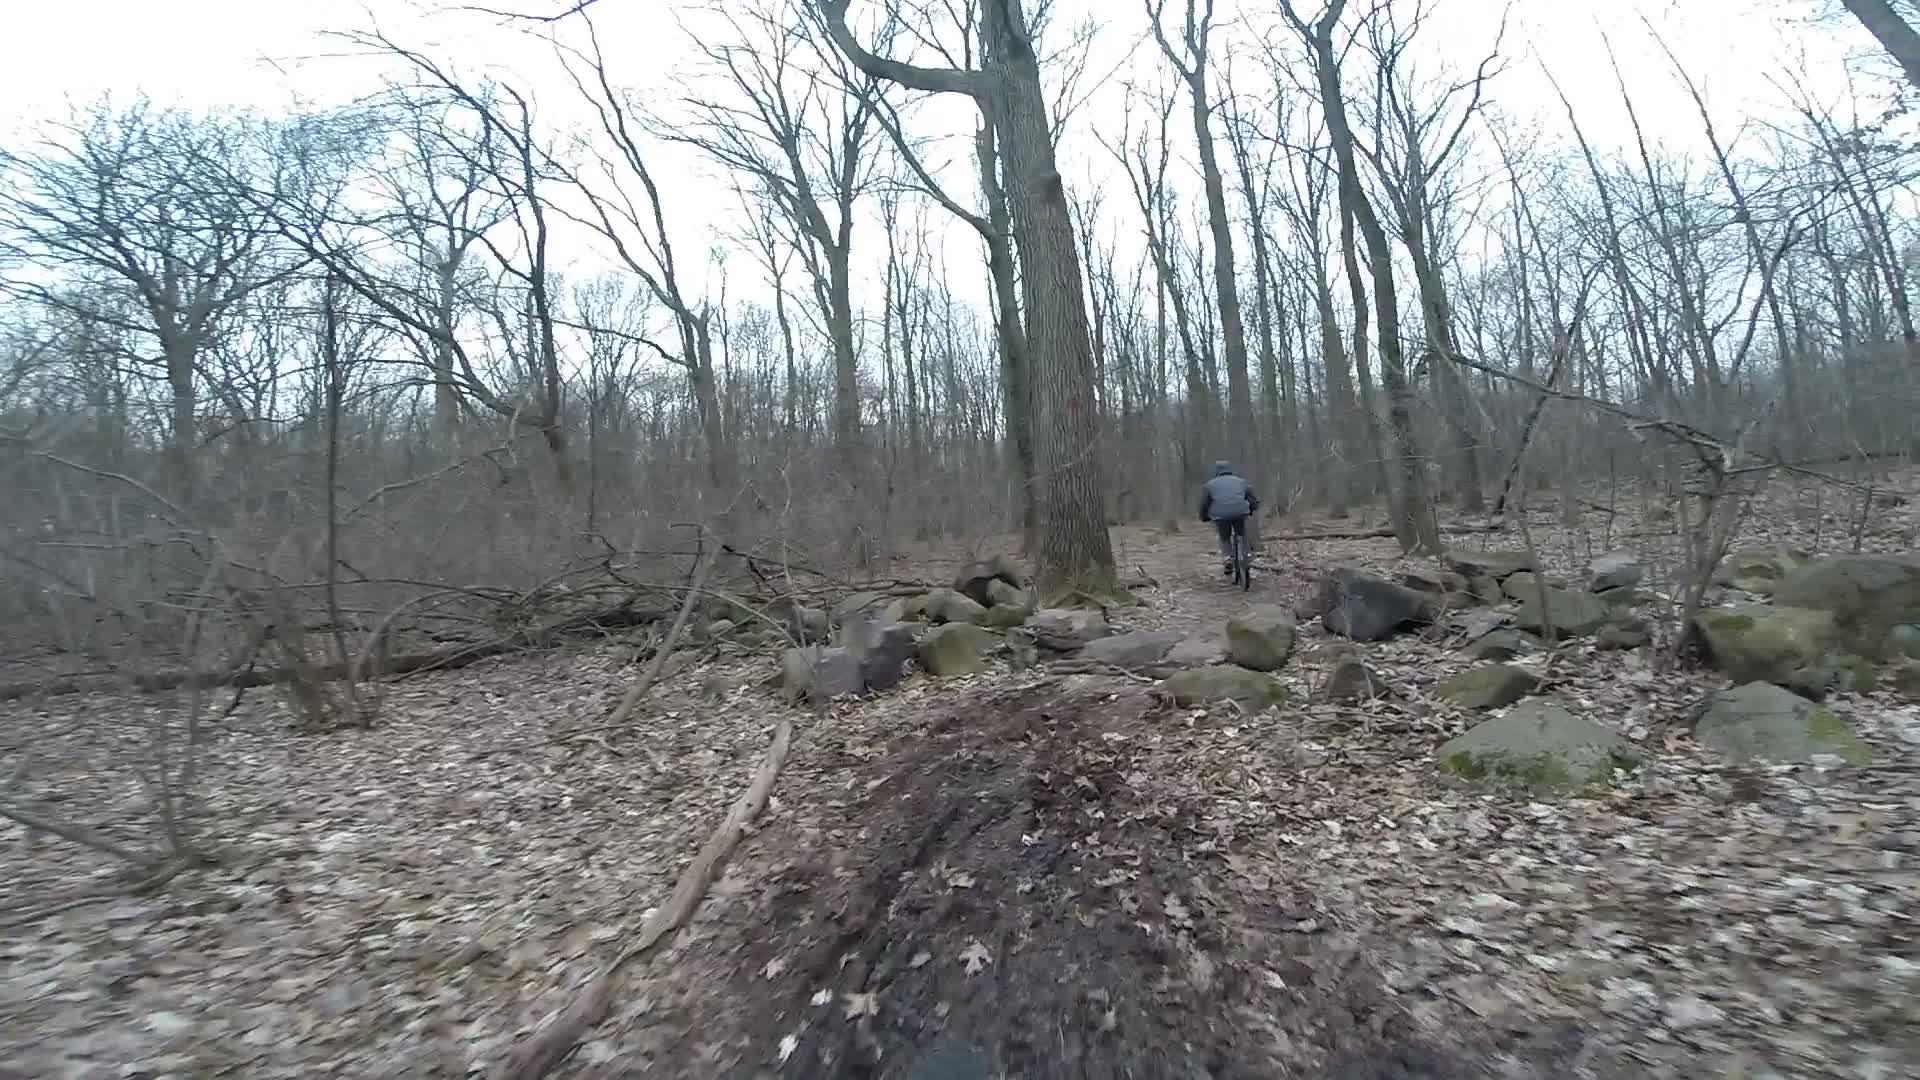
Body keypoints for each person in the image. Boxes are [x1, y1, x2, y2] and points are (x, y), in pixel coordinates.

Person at [1198, 460, 1258, 576]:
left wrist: (1204, 516)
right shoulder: (1242, 482)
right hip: (1240, 512)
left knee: (1224, 536)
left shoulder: (1209, 485)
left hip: (1220, 515)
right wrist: (1251, 509)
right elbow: (1251, 498)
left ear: (1216, 471)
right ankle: (1247, 554)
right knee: (1242, 533)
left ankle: (1227, 558)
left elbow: (1205, 504)